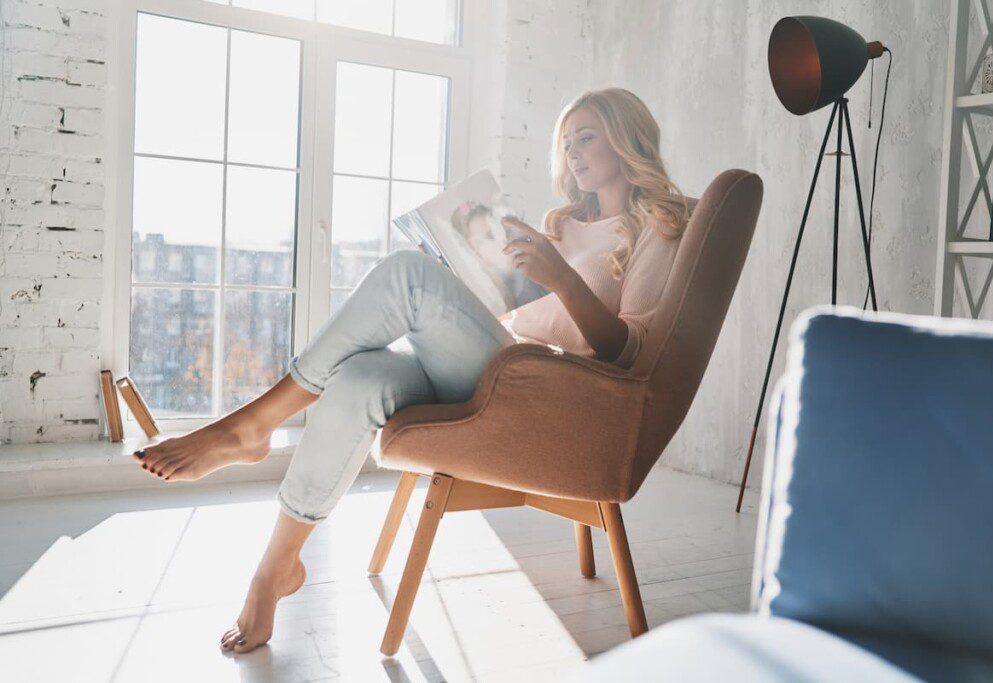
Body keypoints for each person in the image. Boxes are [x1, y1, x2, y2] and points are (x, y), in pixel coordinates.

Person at [131, 86, 692, 654]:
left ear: (627, 138)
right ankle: (275, 569)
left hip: (550, 389)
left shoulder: (658, 227)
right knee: (359, 378)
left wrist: (562, 279)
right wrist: (472, 273)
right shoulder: (561, 225)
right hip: (497, 360)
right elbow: (513, 311)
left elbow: (628, 353)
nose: (572, 153)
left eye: (587, 137)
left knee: (404, 275)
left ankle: (252, 425)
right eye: (566, 142)